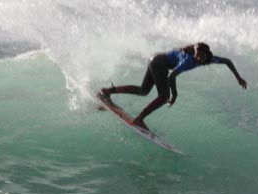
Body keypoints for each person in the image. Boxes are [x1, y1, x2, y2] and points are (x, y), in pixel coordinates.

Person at [100, 42, 247, 130]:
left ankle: (108, 91)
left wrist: (238, 77)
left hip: (155, 59)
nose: (198, 58)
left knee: (144, 90)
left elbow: (227, 61)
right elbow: (172, 76)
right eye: (196, 54)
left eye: (201, 56)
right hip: (159, 63)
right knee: (164, 96)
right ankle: (139, 119)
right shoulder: (188, 60)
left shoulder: (210, 58)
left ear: (207, 55)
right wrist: (175, 94)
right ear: (194, 52)